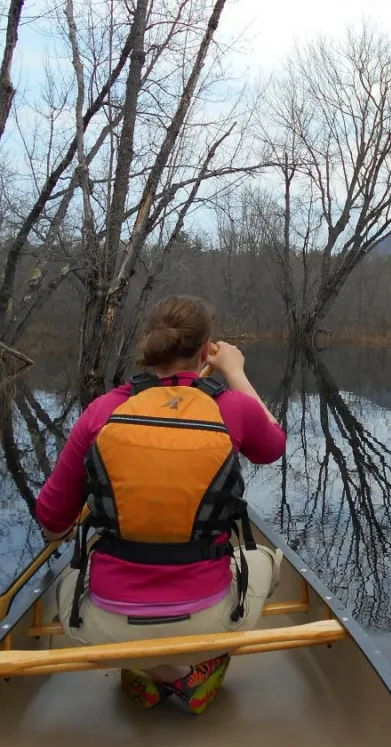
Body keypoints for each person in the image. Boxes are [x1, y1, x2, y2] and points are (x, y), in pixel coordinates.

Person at [35, 296, 287, 714]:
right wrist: (236, 372)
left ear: (150, 344)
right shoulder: (232, 408)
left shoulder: (103, 411)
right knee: (266, 560)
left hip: (101, 629)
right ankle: (191, 669)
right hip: (211, 617)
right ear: (206, 349)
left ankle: (144, 671)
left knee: (66, 583)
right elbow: (273, 446)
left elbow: (51, 519)